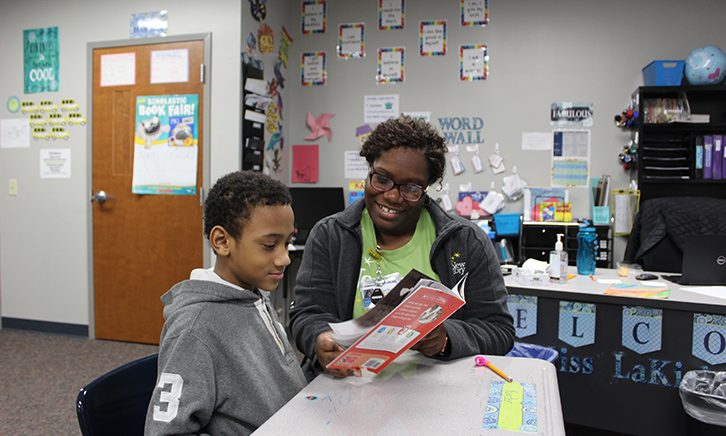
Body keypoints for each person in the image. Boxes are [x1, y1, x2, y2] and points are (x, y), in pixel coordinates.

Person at [289, 115, 515, 380]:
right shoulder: (330, 236)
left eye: (411, 188)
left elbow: (498, 330)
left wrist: (446, 338)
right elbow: (306, 314)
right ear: (369, 169)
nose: (393, 196)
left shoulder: (465, 241)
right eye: (382, 179)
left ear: (427, 188)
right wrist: (319, 338)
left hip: (438, 393)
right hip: (348, 386)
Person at [145, 171, 307, 435]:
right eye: (269, 245)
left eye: (288, 243)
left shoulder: (252, 295)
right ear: (222, 241)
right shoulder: (194, 329)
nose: (284, 258)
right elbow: (166, 431)